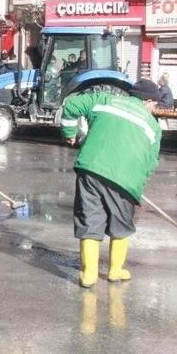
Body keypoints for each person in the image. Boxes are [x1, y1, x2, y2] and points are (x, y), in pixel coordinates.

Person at [61, 79, 161, 288]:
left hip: (91, 170)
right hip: (125, 181)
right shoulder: (153, 126)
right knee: (121, 226)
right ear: (148, 100)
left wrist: (69, 133)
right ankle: (115, 271)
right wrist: (137, 188)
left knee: (90, 220)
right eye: (155, 104)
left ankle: (89, 275)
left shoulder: (104, 100)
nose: (155, 109)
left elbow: (70, 105)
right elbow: (150, 163)